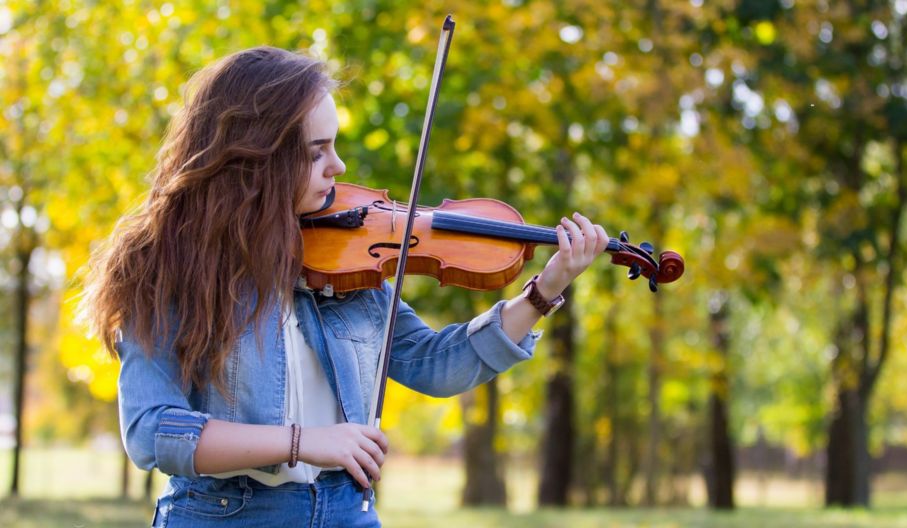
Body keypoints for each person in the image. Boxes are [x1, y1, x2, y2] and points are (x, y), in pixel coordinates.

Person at [82, 46, 609, 527]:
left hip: (343, 511)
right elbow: (154, 431)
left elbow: (434, 362)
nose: (338, 166)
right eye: (316, 151)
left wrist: (543, 290)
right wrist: (305, 443)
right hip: (225, 514)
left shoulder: (347, 259)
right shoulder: (166, 266)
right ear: (258, 155)